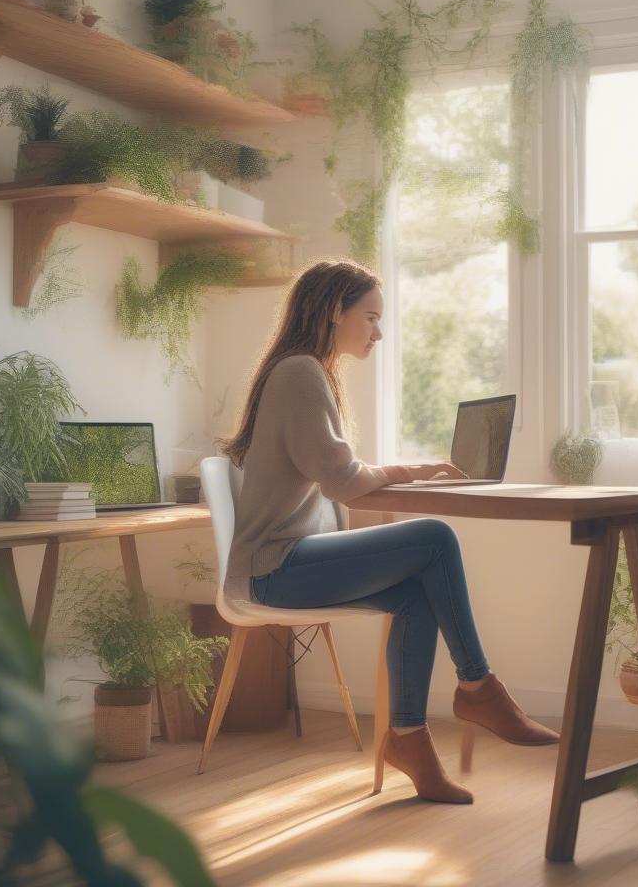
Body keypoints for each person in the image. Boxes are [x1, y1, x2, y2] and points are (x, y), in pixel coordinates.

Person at [222, 259, 559, 804]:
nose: (378, 332)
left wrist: (412, 469)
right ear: (336, 310)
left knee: (417, 593)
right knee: (435, 538)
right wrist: (413, 471)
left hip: (286, 562)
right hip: (272, 571)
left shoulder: (304, 371)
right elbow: (344, 482)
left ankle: (409, 742)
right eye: (371, 317)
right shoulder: (300, 373)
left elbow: (340, 475)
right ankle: (479, 687)